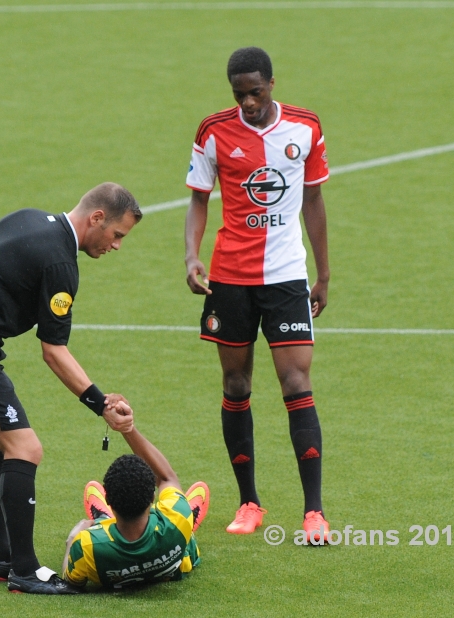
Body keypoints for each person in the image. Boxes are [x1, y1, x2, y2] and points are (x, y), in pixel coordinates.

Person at [0, 183, 142, 594]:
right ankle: (24, 569)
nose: (117, 245)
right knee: (25, 448)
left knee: (8, 445)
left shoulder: (32, 218)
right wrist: (100, 403)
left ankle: (0, 558)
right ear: (96, 219)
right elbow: (53, 351)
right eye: (117, 234)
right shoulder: (60, 263)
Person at [184, 47, 330, 541]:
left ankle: (314, 512)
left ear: (271, 83)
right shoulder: (213, 131)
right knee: (236, 387)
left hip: (287, 277)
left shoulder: (305, 127)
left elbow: (313, 198)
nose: (247, 102)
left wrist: (324, 274)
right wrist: (192, 256)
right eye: (239, 94)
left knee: (296, 383)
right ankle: (249, 502)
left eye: (255, 92)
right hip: (231, 278)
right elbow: (198, 200)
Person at [63, 401, 209, 590]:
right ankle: (189, 526)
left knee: (99, 529)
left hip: (107, 547)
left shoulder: (85, 545)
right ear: (151, 498)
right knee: (178, 522)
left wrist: (71, 541)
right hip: (174, 555)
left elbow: (72, 582)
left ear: (108, 500)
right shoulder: (176, 516)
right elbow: (167, 478)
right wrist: (127, 429)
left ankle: (103, 519)